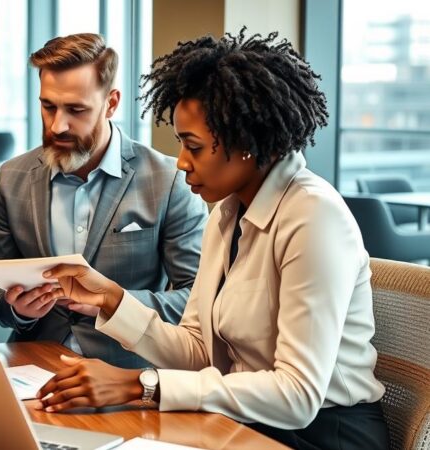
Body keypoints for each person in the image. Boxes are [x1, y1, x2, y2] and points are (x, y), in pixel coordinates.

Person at [37, 29, 389, 450]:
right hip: (245, 421)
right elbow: (198, 349)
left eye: (194, 146)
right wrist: (114, 300)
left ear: (245, 143)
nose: (182, 162)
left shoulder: (314, 218)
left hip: (324, 435)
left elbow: (297, 395)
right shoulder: (226, 213)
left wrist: (140, 385)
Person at [0, 33, 208, 368]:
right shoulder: (11, 177)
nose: (58, 125)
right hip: (32, 371)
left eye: (76, 109)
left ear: (112, 103)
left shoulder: (169, 180)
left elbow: (197, 299)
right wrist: (18, 309)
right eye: (48, 106)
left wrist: (113, 304)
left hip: (127, 376)